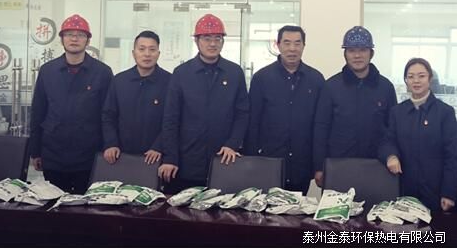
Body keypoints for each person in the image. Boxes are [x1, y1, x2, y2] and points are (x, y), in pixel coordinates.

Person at [158, 14, 249, 193]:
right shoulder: (181, 73)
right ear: (197, 41)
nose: (213, 43)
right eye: (207, 38)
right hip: (186, 161)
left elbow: (242, 113)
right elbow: (170, 118)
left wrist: (232, 143)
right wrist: (170, 157)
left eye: (218, 38)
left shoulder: (234, 73)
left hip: (224, 158)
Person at [29, 14, 113, 194]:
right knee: (54, 203)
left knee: (87, 206)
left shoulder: (102, 73)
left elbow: (108, 114)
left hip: (89, 155)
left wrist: (109, 146)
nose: (74, 39)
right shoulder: (48, 71)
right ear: (62, 39)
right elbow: (38, 112)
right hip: (53, 154)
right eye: (69, 34)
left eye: (80, 35)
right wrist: (35, 151)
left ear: (88, 40)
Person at [313, 26, 398, 187]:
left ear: (371, 53)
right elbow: (321, 129)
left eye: (363, 50)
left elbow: (392, 130)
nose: (357, 55)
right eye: (352, 50)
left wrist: (392, 156)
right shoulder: (331, 87)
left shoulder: (385, 87)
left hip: (376, 167)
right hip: (338, 167)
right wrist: (319, 167)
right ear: (345, 54)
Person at [245, 25, 325, 194]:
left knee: (297, 209)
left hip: (302, 164)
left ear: (304, 45)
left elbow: (320, 125)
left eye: (297, 43)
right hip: (269, 163)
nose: (292, 48)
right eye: (287, 43)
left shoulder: (316, 80)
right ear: (278, 45)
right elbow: (252, 123)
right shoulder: (262, 78)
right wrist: (251, 161)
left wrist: (319, 165)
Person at [379, 58, 457, 212]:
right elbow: (387, 141)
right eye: (411, 76)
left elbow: (452, 156)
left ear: (430, 79)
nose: (416, 81)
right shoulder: (397, 112)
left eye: (421, 76)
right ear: (406, 80)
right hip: (405, 188)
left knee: (436, 227)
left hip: (436, 191)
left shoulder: (445, 112)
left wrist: (449, 192)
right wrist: (391, 156)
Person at [102, 30, 171, 165]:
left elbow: (172, 120)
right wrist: (111, 143)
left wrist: (159, 146)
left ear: (158, 54)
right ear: (134, 53)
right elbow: (108, 116)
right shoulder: (119, 81)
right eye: (142, 49)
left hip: (156, 157)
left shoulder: (170, 82)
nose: (147, 54)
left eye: (152, 49)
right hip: (121, 156)